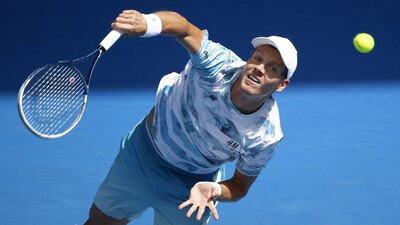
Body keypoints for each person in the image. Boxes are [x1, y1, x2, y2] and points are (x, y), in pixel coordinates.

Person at [84, 9, 297, 225]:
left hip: (192, 187)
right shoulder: (217, 65)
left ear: (281, 84)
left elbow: (240, 186)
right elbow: (183, 27)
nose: (259, 69)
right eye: (257, 58)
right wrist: (148, 23)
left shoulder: (265, 136)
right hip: (143, 154)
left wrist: (213, 189)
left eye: (272, 69)